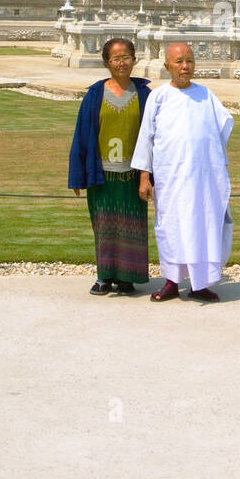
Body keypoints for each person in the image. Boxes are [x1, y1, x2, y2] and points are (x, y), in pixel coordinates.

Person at [131, 42, 233, 302]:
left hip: (203, 180)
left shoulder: (206, 95)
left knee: (202, 226)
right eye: (178, 62)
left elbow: (222, 128)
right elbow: (146, 138)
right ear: (168, 66)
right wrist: (145, 176)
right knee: (172, 228)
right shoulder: (159, 97)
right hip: (171, 179)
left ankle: (200, 283)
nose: (185, 67)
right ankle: (172, 282)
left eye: (189, 61)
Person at [68, 38, 151, 295]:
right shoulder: (95, 95)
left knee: (132, 226)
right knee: (104, 226)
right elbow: (82, 135)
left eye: (126, 57)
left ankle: (127, 278)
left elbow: (152, 138)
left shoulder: (145, 95)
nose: (121, 62)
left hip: (132, 175)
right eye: (116, 58)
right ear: (107, 62)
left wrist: (147, 177)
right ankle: (104, 276)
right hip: (102, 174)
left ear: (134, 60)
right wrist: (78, 177)